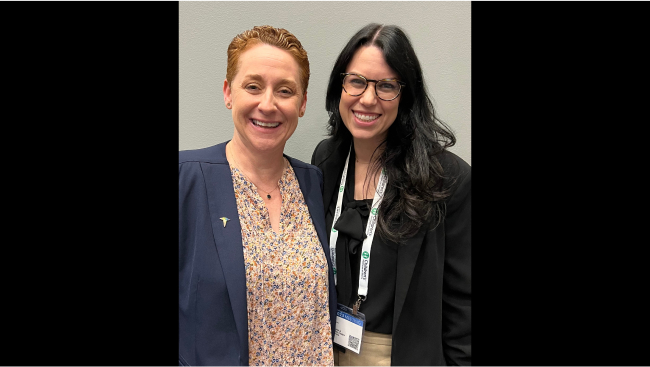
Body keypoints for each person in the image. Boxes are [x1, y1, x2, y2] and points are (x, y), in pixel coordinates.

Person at [311, 23, 471, 366]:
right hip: (326, 353)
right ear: (339, 86)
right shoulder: (325, 161)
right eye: (356, 81)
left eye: (386, 86)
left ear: (406, 95)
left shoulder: (447, 179)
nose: (368, 99)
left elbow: (463, 305)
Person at [179, 25, 336, 366]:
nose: (268, 104)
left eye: (285, 91)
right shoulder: (186, 178)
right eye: (253, 86)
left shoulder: (312, 183)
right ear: (228, 93)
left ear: (303, 103)